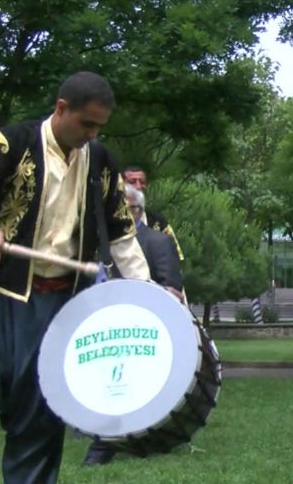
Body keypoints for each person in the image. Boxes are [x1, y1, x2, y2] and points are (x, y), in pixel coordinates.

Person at [0, 72, 152, 484]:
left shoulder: (99, 162)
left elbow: (121, 236)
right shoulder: (12, 142)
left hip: (59, 308)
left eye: (99, 126)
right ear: (61, 108)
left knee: (40, 420)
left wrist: (148, 298)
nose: (92, 134)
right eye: (87, 124)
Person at [82, 182, 184, 466]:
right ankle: (98, 432)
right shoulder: (95, 242)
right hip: (100, 329)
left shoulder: (159, 241)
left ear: (136, 210)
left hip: (140, 333)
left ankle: (102, 447)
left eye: (120, 208)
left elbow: (170, 288)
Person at [123, 165, 184, 261]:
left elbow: (176, 255)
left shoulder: (158, 221)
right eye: (132, 182)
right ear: (121, 186)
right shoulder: (112, 219)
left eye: (142, 182)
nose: (138, 186)